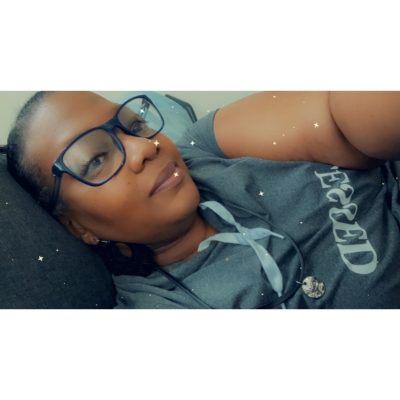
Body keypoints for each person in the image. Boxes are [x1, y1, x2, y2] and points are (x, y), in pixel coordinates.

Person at [1, 90, 400, 310]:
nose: (145, 148)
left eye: (135, 125)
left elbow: (339, 114)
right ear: (76, 226)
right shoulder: (161, 304)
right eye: (96, 160)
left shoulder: (207, 146)